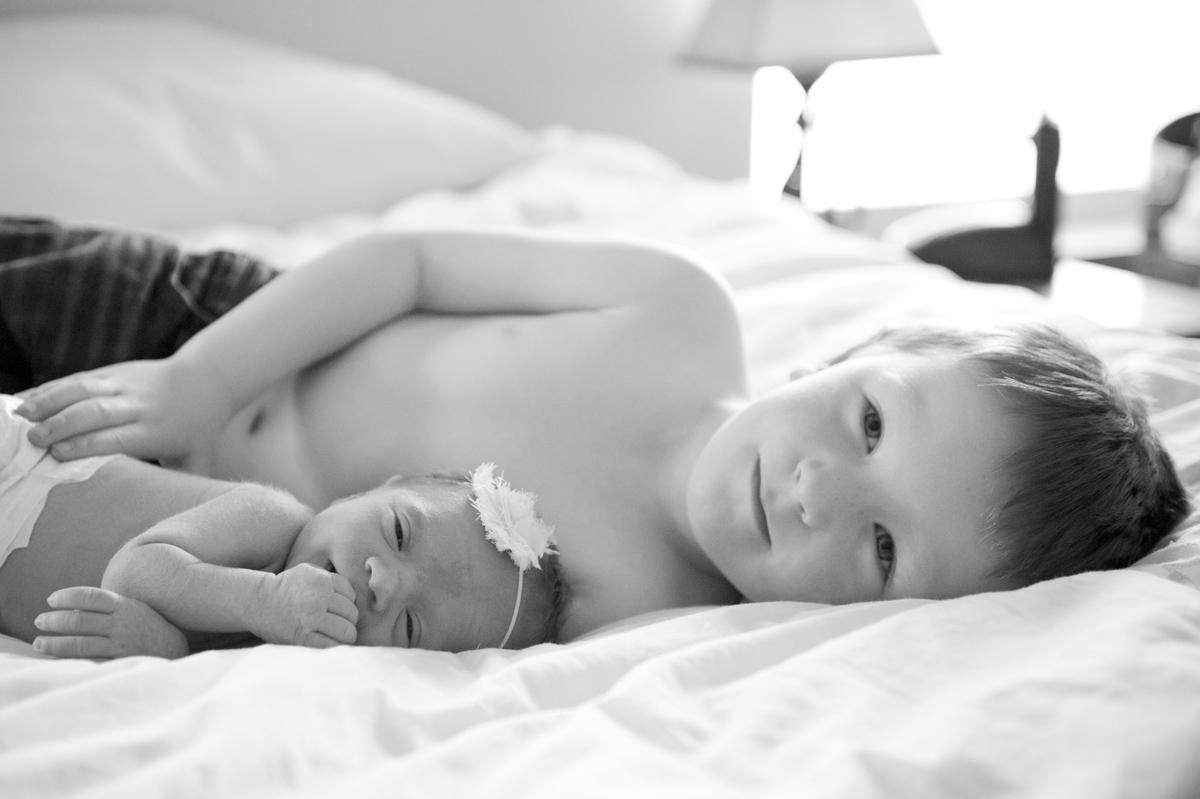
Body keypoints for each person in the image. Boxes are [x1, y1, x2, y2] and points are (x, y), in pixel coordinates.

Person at [2, 218, 1190, 639]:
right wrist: (199, 380)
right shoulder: (674, 312)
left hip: (160, 514)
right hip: (204, 337)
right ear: (845, 355)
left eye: (883, 545)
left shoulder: (639, 612)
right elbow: (409, 261)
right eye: (870, 420)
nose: (819, 489)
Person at [0, 392, 563, 658]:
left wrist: (165, 646)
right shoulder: (272, 519)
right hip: (17, 470)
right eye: (399, 533)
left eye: (411, 626)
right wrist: (261, 600)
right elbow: (134, 571)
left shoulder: (278, 649)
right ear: (370, 491)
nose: (384, 582)